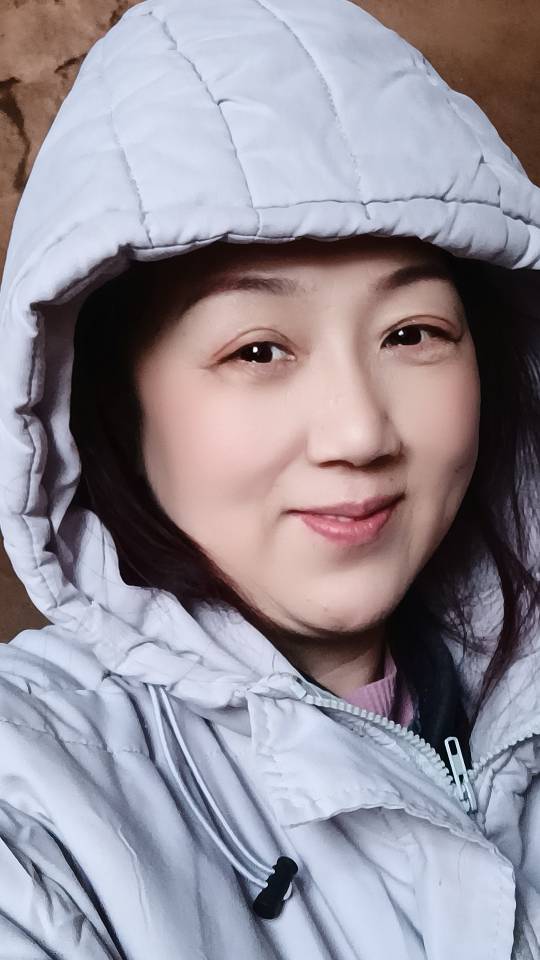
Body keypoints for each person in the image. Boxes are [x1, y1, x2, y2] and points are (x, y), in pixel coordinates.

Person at [0, 0, 539, 956]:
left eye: (412, 333)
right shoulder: (34, 798)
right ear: (112, 402)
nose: (359, 432)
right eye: (258, 349)